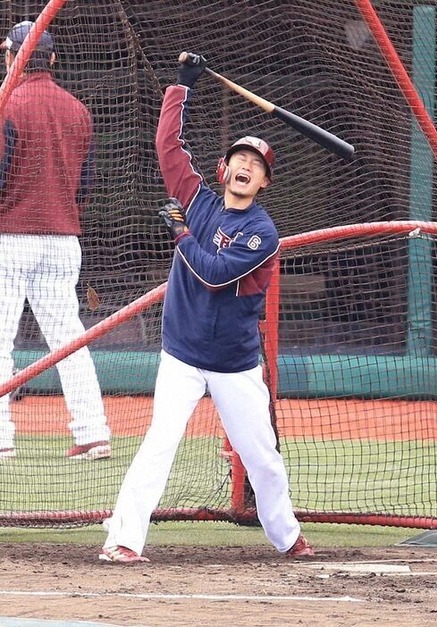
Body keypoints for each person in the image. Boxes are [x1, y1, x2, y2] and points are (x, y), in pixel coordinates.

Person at [99, 52, 314, 563]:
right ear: (224, 169)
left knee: (262, 458)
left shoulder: (261, 232)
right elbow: (168, 146)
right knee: (159, 443)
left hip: (234, 363)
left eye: (256, 165)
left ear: (264, 182)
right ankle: (123, 540)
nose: (246, 166)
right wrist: (182, 87)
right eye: (240, 159)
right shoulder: (200, 201)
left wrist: (180, 233)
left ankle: (287, 537)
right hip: (182, 353)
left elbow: (213, 274)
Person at [0, 21, 111, 460]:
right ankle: (93, 432)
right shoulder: (77, 109)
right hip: (63, 240)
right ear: (53, 58)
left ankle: (1, 438)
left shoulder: (6, 103)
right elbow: (86, 187)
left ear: (14, 57)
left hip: (11, 237)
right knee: (69, 341)